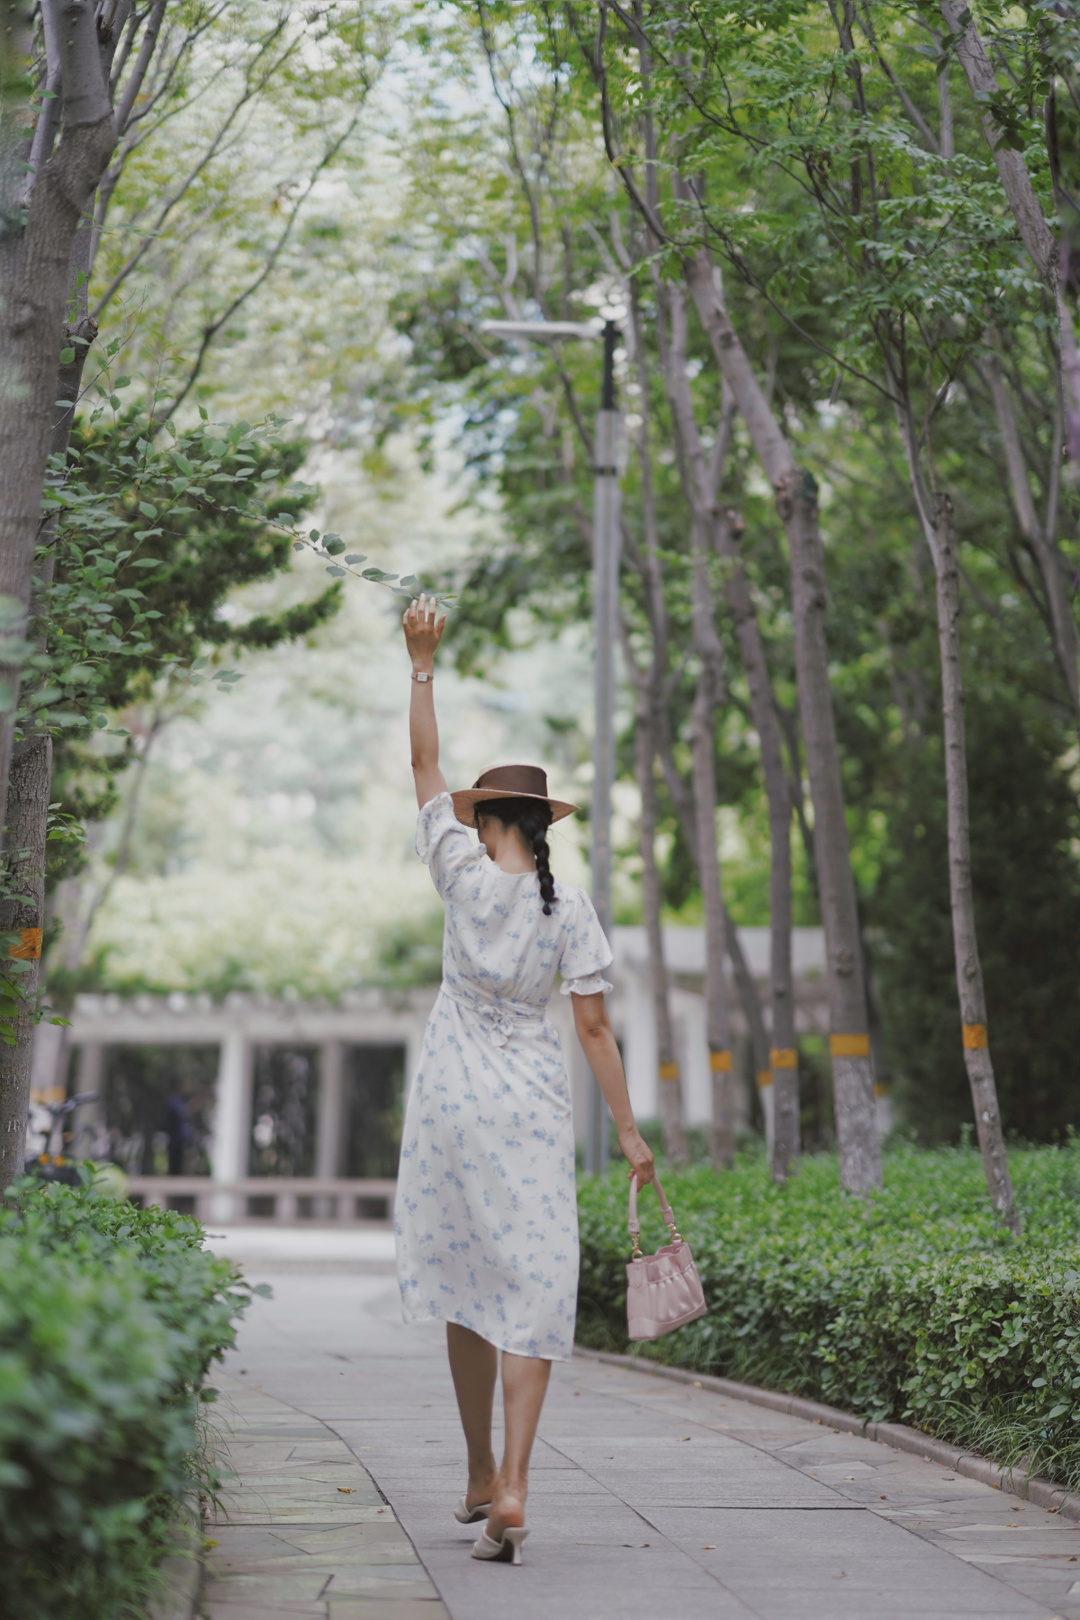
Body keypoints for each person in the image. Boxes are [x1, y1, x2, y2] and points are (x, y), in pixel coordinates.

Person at [395, 594, 656, 1568]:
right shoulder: (569, 907)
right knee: (534, 1285)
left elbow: (423, 765)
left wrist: (422, 663)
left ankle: (476, 1472)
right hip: (531, 1109)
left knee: (467, 1285)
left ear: (489, 821)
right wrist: (628, 1132)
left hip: (452, 1108)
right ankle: (512, 1482)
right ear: (541, 826)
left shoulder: (461, 878)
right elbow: (593, 1028)